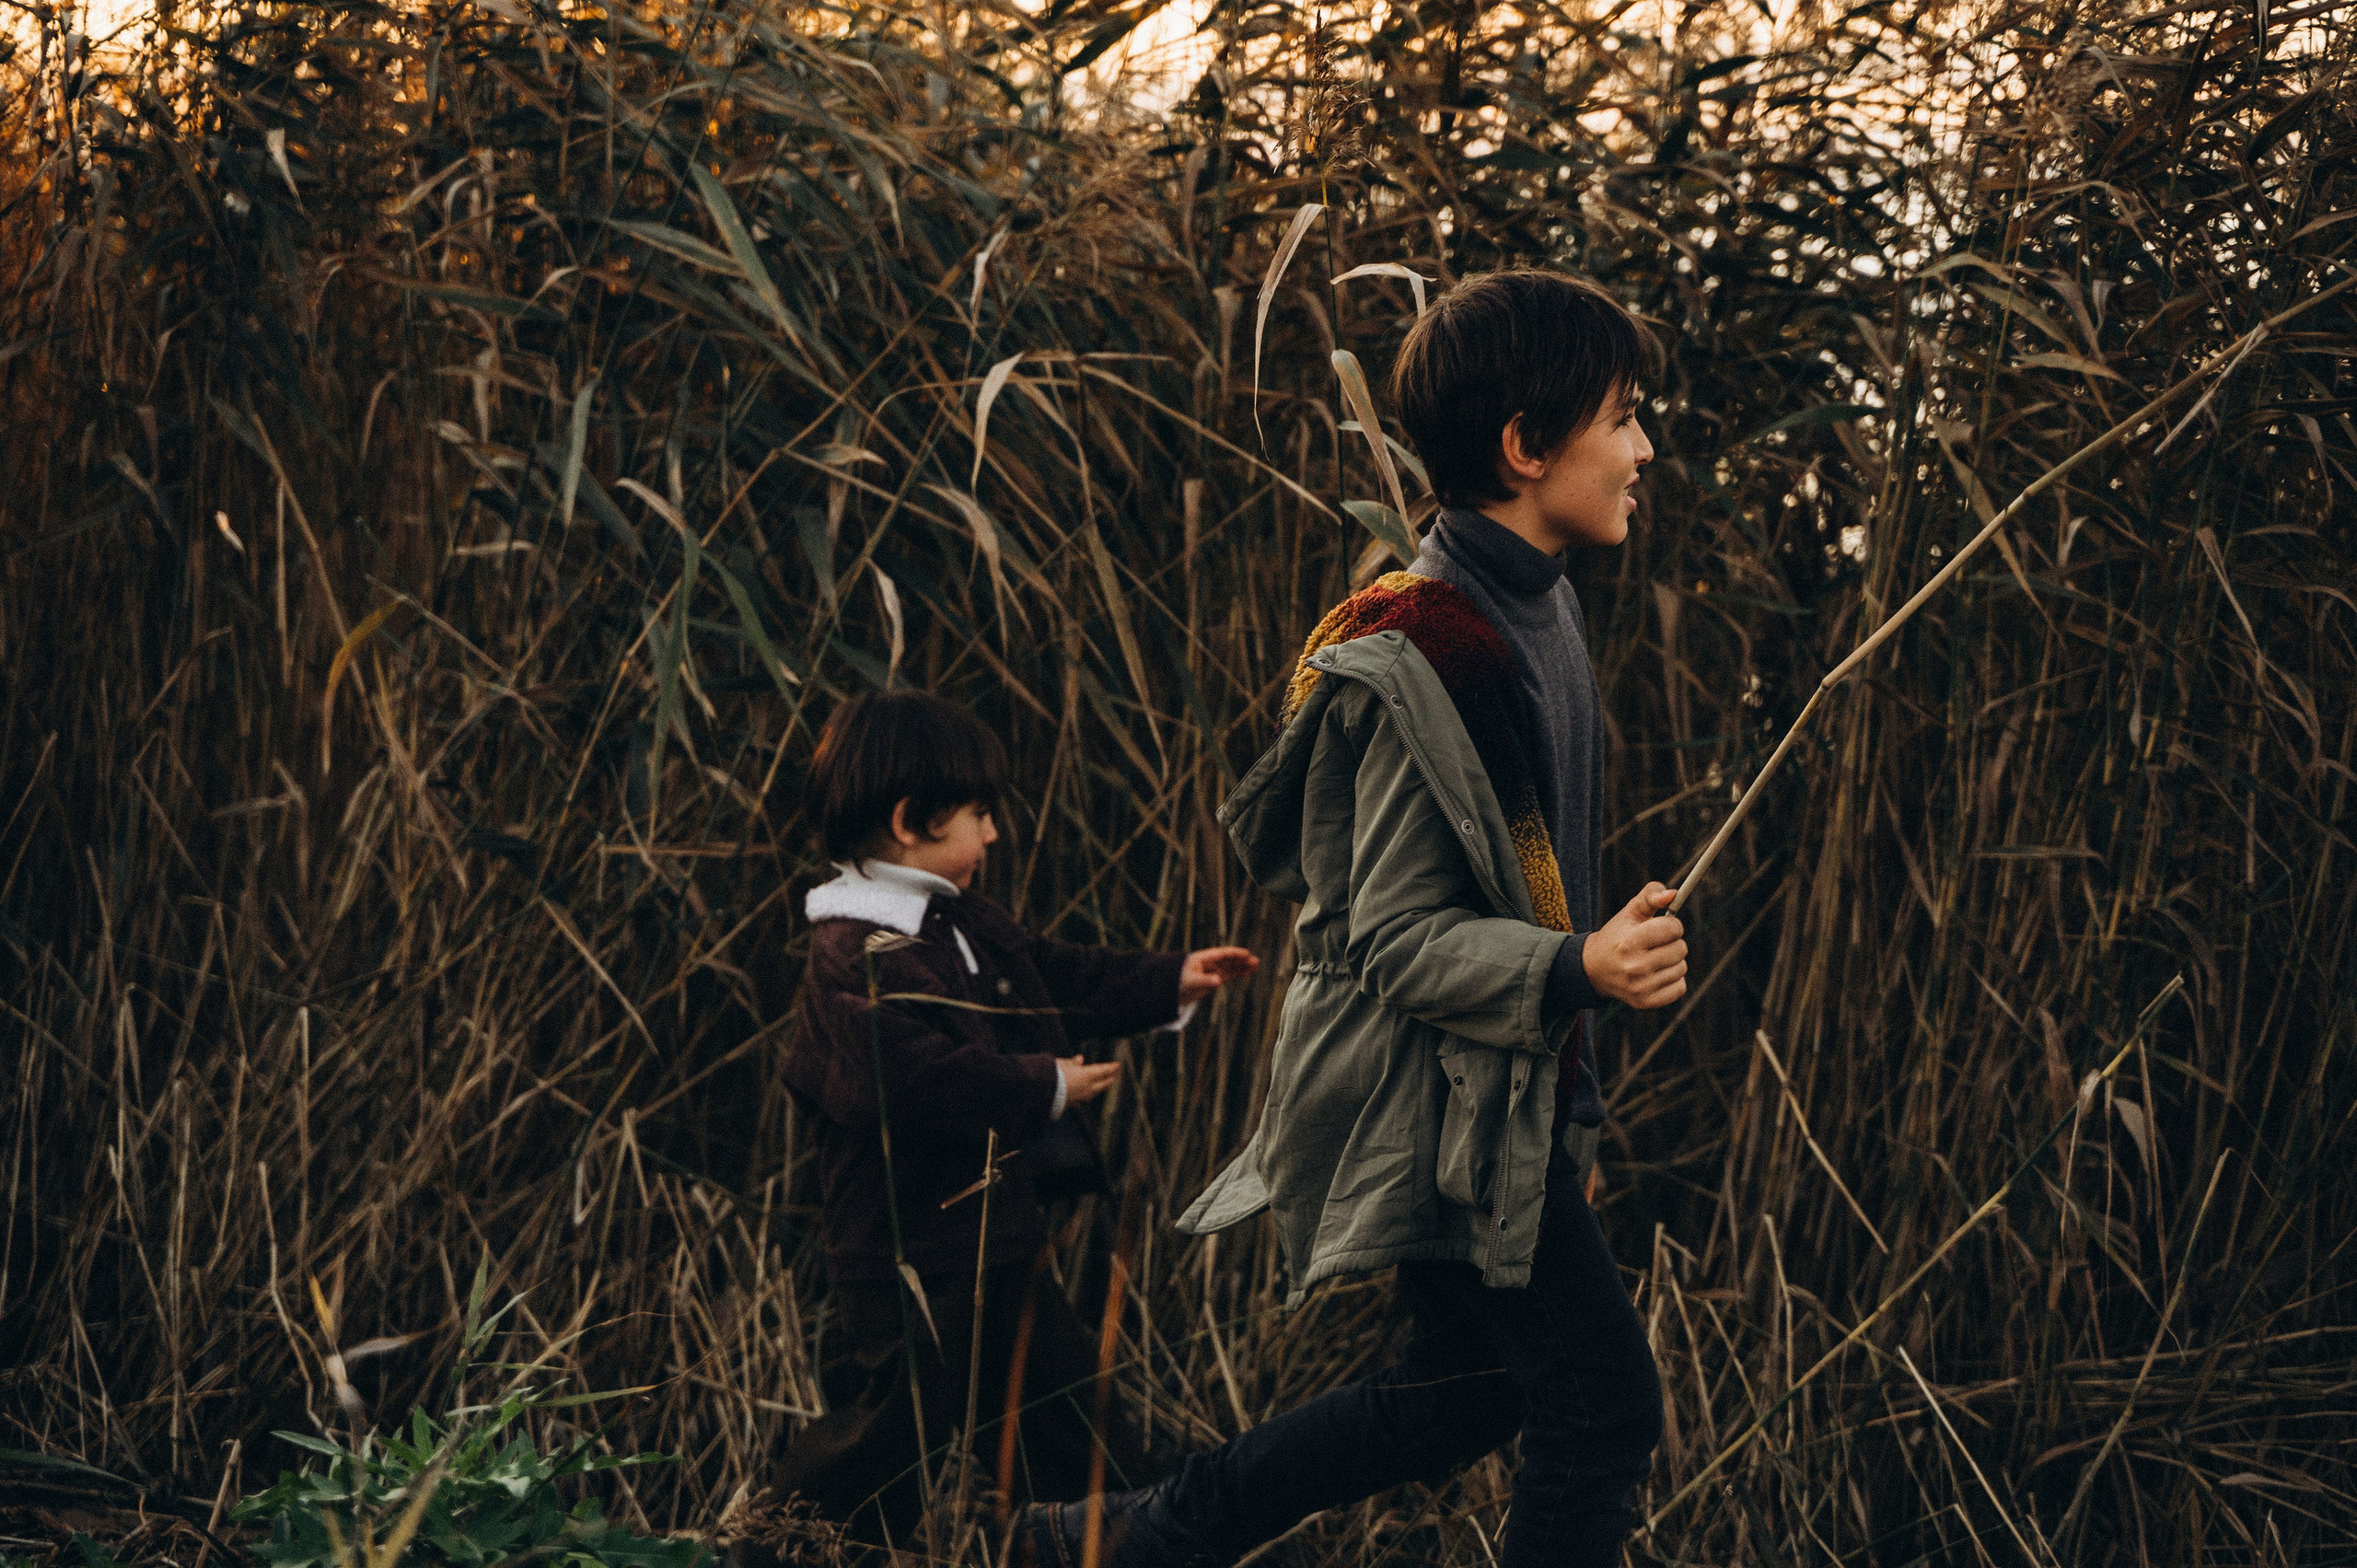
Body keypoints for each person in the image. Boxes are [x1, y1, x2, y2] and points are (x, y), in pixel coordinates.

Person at [1017, 271, 1686, 1568]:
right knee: (1603, 1408)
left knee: (1467, 1388)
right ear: (1525, 446)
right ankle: (1124, 1540)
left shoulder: (1542, 603)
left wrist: (1571, 1083)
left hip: (1505, 1094)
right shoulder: (1423, 644)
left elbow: (1522, 881)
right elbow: (1392, 933)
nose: (1645, 446)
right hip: (1441, 1108)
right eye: (1622, 416)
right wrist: (1577, 964)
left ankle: (1117, 1541)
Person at [775, 690, 1258, 1548]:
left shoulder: (957, 923)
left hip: (999, 1242)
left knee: (1081, 1432)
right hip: (906, 1261)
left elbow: (1055, 971)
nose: (993, 835)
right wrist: (1045, 1085)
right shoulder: (849, 955)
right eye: (978, 814)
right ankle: (771, 1548)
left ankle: (1135, 1542)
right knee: (880, 1452)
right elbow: (911, 1077)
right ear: (910, 821)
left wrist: (1169, 979)